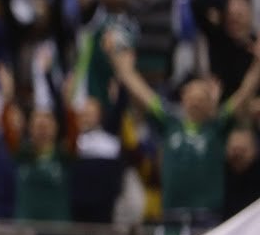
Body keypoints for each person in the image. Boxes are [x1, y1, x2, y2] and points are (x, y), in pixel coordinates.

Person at [108, 35, 260, 225]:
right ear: (183, 98)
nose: (196, 102)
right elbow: (141, 93)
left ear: (211, 103)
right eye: (192, 96)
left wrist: (257, 66)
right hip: (172, 215)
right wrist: (122, 65)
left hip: (207, 216)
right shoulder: (169, 121)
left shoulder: (217, 125)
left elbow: (244, 94)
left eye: (202, 98)